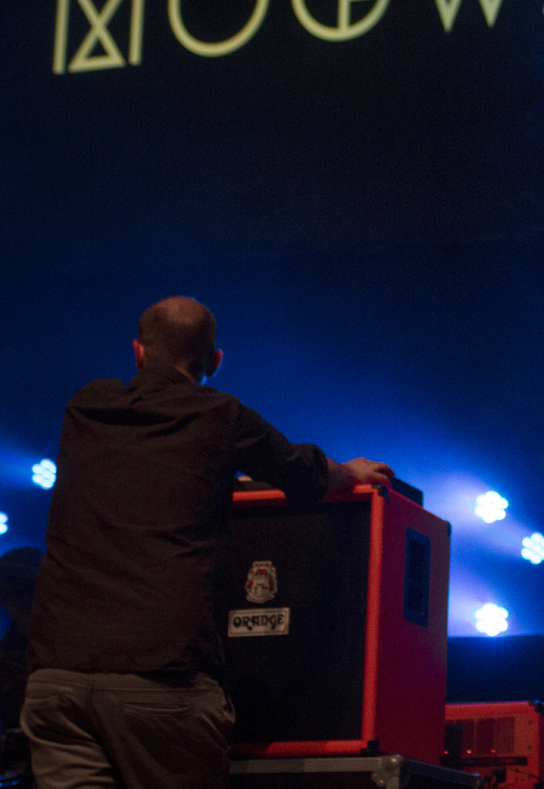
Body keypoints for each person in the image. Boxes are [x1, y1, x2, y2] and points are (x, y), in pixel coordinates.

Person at [20, 296, 395, 789]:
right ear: (215, 361)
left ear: (137, 352)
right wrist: (347, 471)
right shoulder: (219, 415)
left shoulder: (85, 406)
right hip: (160, 676)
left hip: (56, 680)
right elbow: (302, 472)